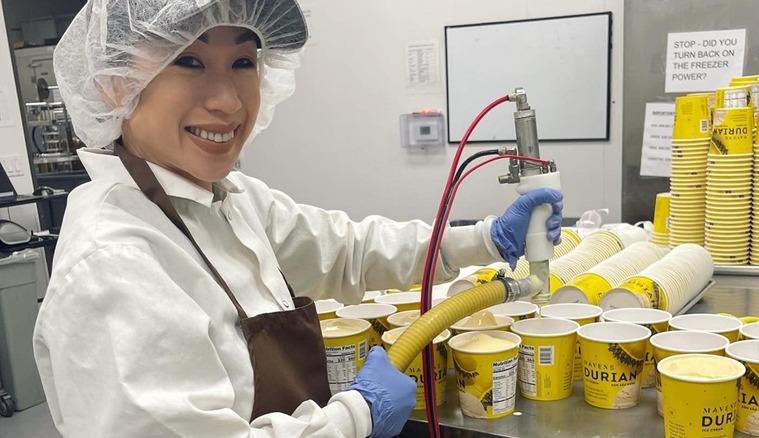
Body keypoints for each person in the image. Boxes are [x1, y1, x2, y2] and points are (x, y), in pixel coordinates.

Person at [32, 1, 564, 437]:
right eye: (189, 62)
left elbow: (350, 251)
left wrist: (487, 240)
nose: (227, 101)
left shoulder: (228, 199)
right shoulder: (115, 262)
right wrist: (355, 416)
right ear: (113, 83)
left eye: (243, 63)